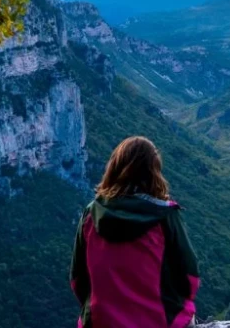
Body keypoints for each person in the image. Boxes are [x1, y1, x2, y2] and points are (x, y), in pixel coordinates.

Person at [70, 136, 200, 328]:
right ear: (154, 171)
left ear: (113, 168)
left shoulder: (91, 214)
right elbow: (190, 279)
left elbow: (77, 280)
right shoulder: (165, 216)